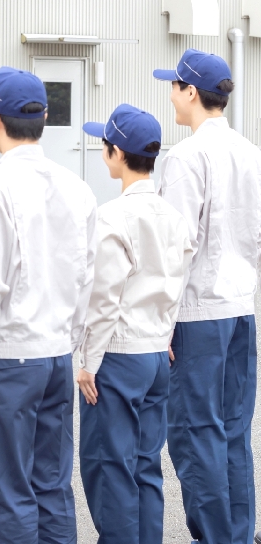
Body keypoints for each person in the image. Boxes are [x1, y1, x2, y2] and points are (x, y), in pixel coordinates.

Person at [0, 67, 97, 543]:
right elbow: (85, 276)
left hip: (9, 361)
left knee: (7, 493)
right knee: (52, 488)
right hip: (56, 356)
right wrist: (71, 344)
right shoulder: (76, 187)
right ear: (44, 119)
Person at [153, 49, 261, 544]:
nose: (171, 94)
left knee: (197, 433)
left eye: (174, 85)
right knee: (234, 431)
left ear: (191, 92)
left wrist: (162, 321)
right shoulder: (250, 151)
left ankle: (217, 538)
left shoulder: (185, 157)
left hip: (197, 314)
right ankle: (238, 533)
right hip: (241, 309)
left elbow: (174, 247)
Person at [77, 105, 192, 544]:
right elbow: (176, 287)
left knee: (110, 467)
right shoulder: (173, 217)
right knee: (145, 464)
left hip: (119, 357)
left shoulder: (112, 217)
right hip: (155, 355)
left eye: (104, 145)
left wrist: (87, 361)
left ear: (116, 153)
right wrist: (163, 337)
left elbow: (103, 299)